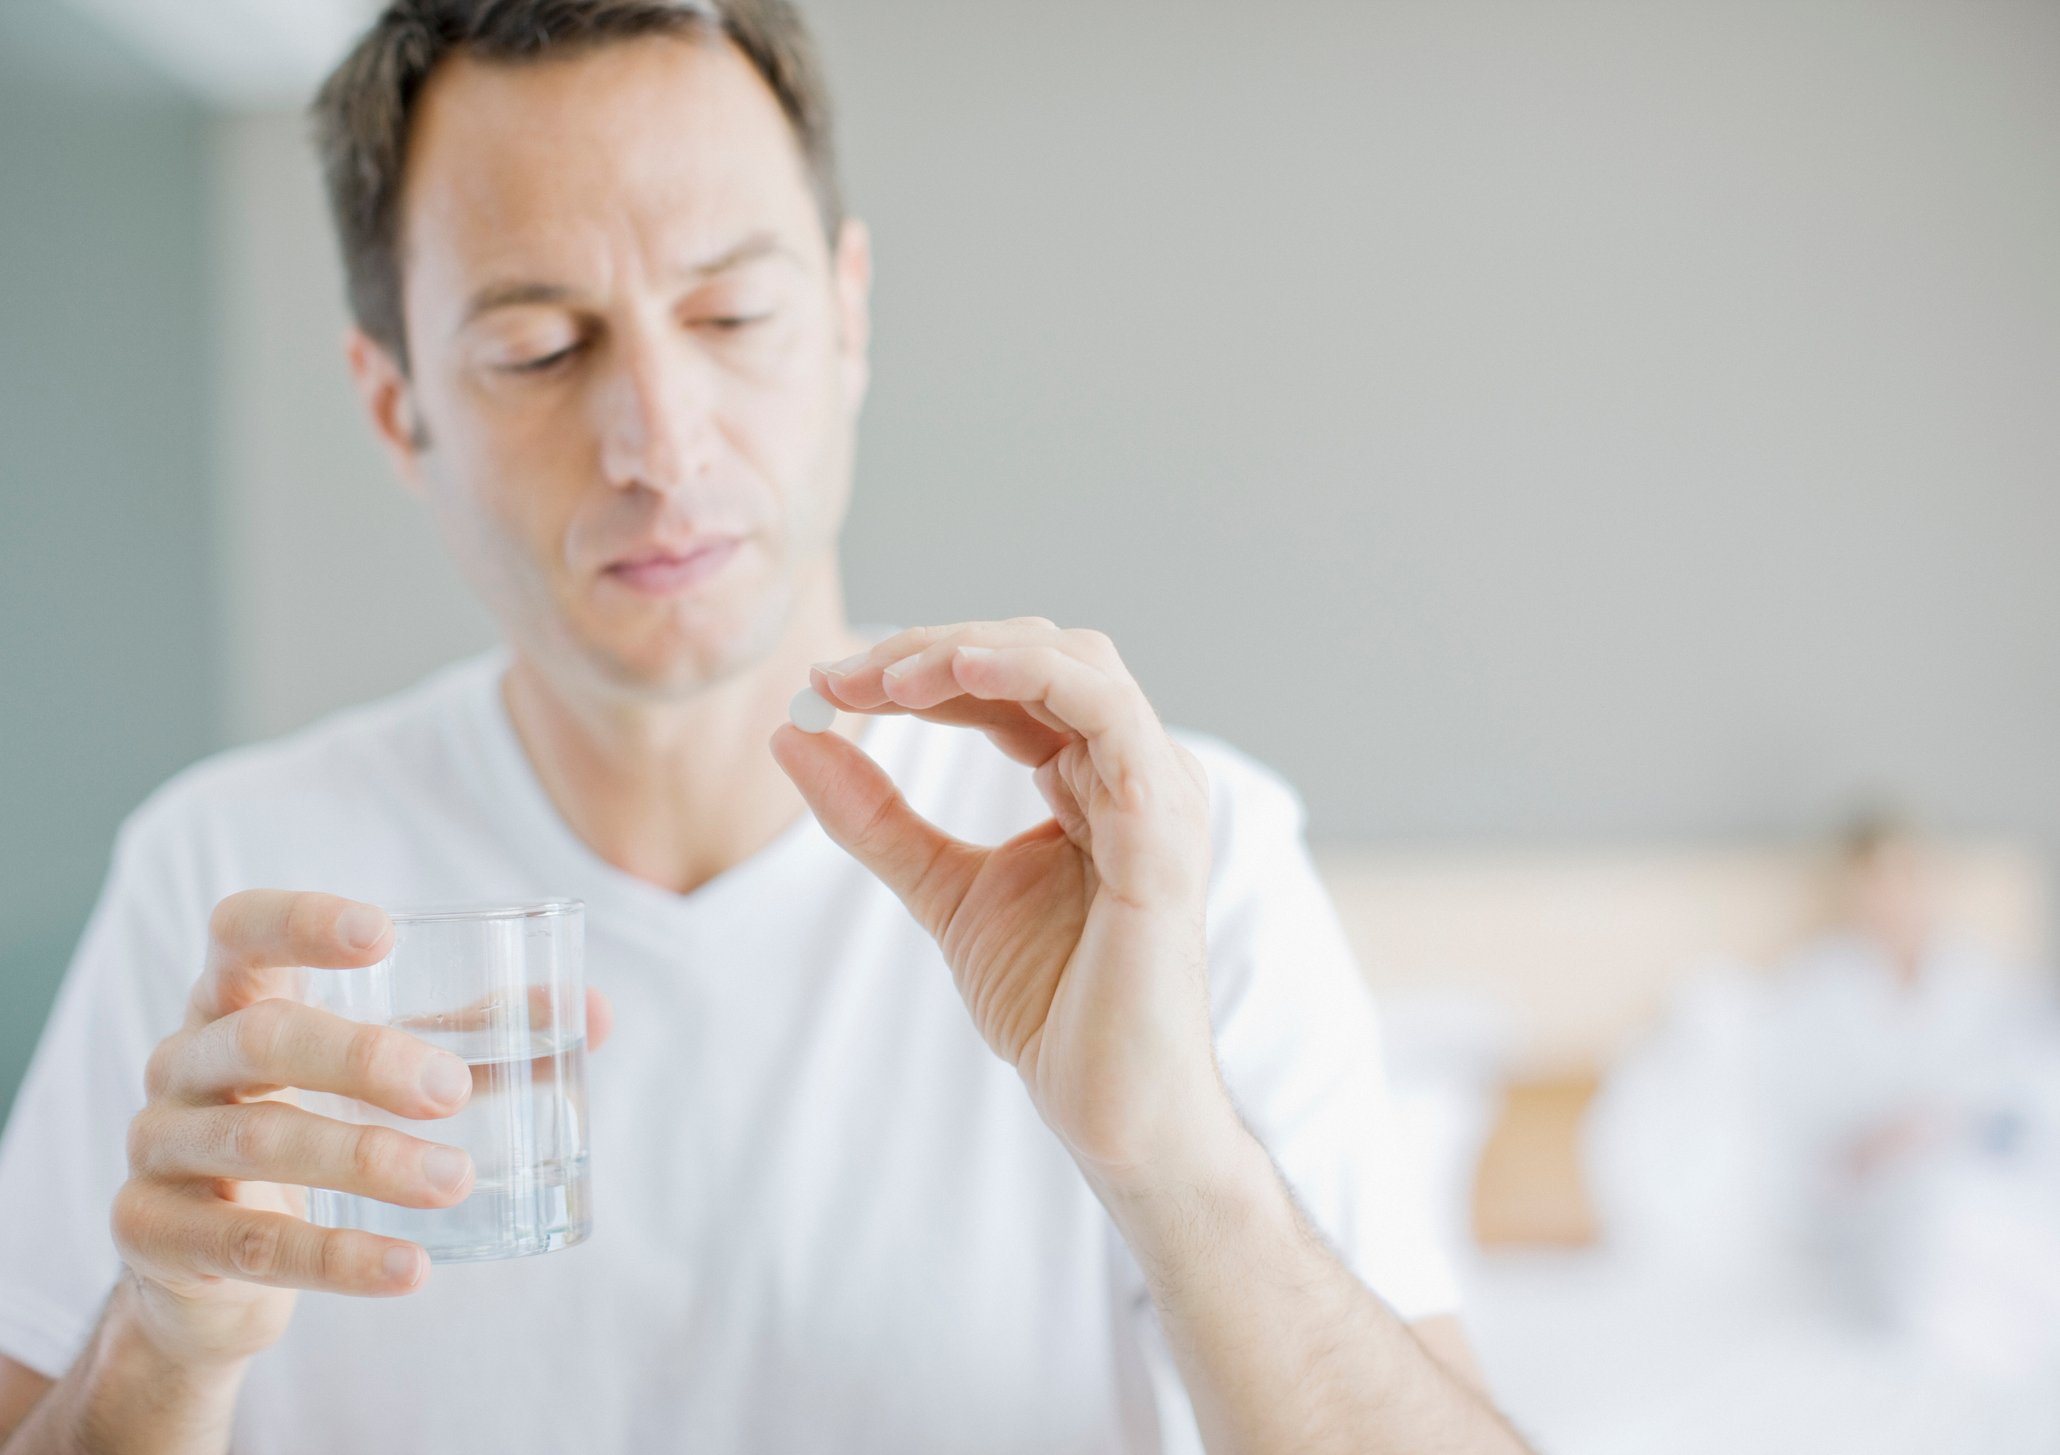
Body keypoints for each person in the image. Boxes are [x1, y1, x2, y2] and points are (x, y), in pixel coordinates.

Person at [0, 3, 1530, 1451]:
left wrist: (1181, 1168)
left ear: (847, 316)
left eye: (731, 314)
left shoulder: (1173, 863)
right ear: (397, 405)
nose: (661, 444)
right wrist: (160, 1350)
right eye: (540, 349)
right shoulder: (228, 887)